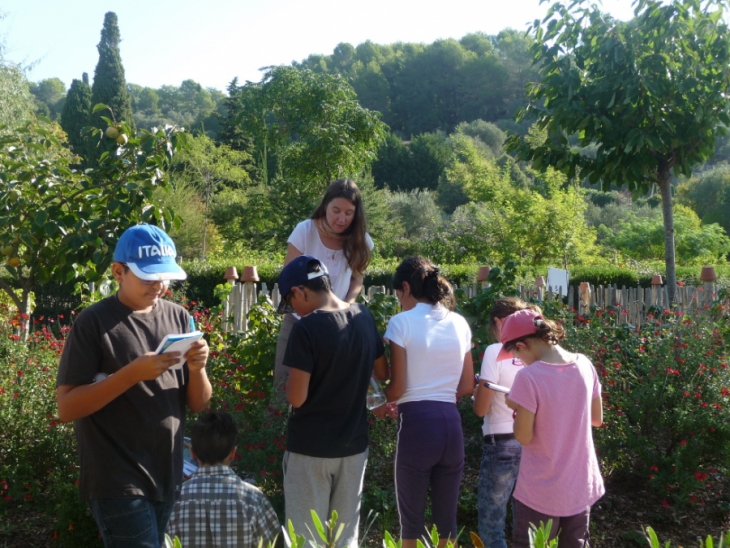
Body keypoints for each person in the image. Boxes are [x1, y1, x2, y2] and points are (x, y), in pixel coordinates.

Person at [56, 223, 213, 548]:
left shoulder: (180, 317)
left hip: (166, 474)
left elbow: (198, 404)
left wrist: (198, 369)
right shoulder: (94, 323)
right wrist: (131, 374)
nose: (159, 285)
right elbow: (67, 407)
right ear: (118, 271)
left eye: (164, 277)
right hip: (117, 479)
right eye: (148, 277)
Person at [279, 255, 387, 548]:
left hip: (310, 449)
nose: (294, 311)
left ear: (299, 291)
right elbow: (382, 371)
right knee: (344, 538)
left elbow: (297, 398)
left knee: (306, 539)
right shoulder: (363, 316)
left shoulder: (306, 329)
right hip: (353, 446)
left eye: (290, 303)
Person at [383, 256, 474, 548]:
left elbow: (397, 388)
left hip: (417, 425)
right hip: (451, 424)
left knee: (411, 523)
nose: (400, 302)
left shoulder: (401, 322)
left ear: (406, 287)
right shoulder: (459, 322)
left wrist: (376, 400)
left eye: (399, 296)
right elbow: (467, 385)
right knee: (447, 522)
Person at [501, 309, 604, 548]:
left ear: (522, 345)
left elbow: (523, 436)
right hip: (580, 485)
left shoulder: (528, 377)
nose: (519, 361)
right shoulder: (584, 364)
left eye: (516, 354)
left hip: (541, 490)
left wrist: (517, 407)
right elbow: (596, 418)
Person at [273, 178, 374, 394]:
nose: (341, 218)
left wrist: (348, 305)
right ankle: (279, 428)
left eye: (349, 213)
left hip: (336, 323)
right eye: (336, 210)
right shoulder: (305, 230)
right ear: (325, 205)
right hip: (298, 319)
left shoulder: (362, 241)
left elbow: (357, 279)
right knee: (284, 386)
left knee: (329, 387)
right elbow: (288, 276)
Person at [473, 298, 539, 548]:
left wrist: (478, 390)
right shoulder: (536, 352)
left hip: (500, 441)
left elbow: (481, 409)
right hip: (532, 442)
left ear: (499, 322)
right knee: (527, 521)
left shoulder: (494, 351)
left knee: (492, 521)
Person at [167, 412, 280, 548]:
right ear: (233, 453)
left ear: (193, 453)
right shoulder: (253, 499)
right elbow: (274, 543)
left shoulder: (174, 500)